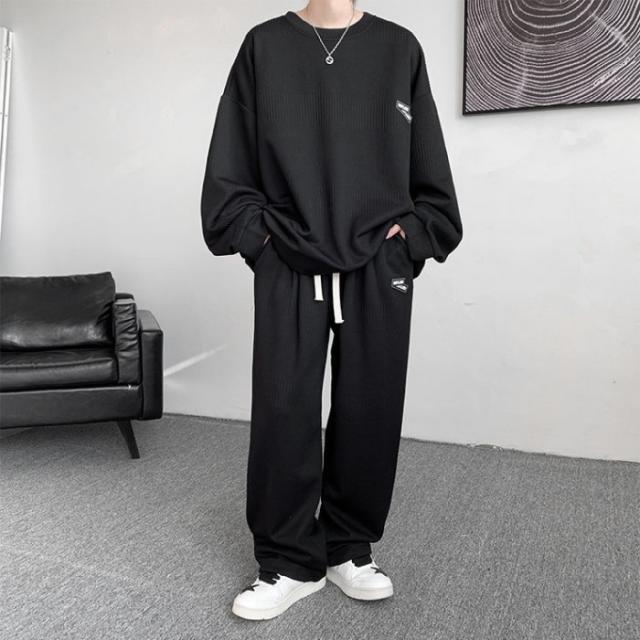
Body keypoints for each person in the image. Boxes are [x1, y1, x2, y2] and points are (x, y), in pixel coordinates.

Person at [200, 0, 463, 621]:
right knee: (283, 404)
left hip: (378, 258)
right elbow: (229, 166)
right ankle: (289, 561)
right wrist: (261, 241)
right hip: (288, 253)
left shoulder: (399, 48)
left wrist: (409, 241)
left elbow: (430, 172)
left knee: (371, 401)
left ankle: (349, 546)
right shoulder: (264, 46)